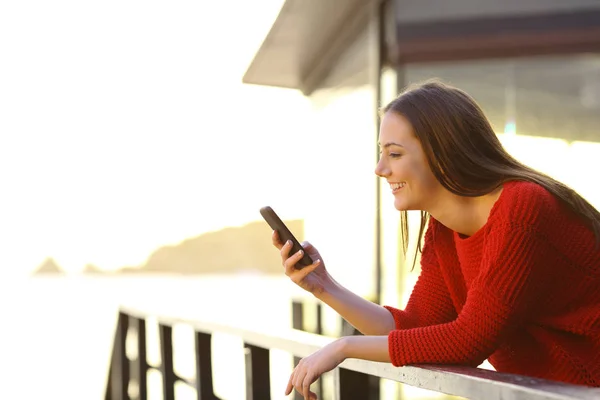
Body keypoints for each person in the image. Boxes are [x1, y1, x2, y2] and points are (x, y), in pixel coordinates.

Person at [271, 80, 600, 399]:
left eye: (395, 154)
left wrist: (344, 346)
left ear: (443, 153)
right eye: (381, 153)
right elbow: (413, 328)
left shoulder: (522, 208)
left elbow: (469, 341)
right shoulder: (443, 230)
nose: (380, 168)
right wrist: (324, 286)